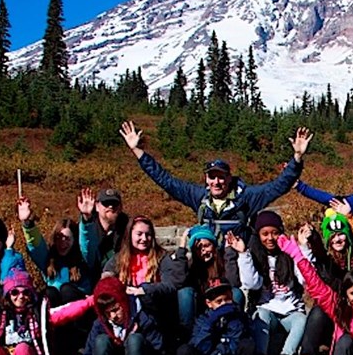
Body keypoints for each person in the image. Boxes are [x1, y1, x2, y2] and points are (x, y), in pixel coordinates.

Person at [119, 120, 313, 238]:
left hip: (238, 262)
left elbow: (279, 186)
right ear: (206, 179)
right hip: (207, 259)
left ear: (229, 178)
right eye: (212, 177)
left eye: (221, 177)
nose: (216, 182)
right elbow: (165, 180)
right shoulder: (198, 197)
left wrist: (297, 158)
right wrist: (138, 152)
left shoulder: (246, 197)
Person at [295, 200, 353, 355]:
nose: (338, 239)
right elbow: (319, 255)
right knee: (318, 311)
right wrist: (311, 239)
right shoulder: (324, 260)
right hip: (331, 312)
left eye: (341, 234)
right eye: (333, 236)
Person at [238, 210, 307, 355]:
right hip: (267, 309)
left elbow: (305, 278)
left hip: (290, 310)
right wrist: (243, 254)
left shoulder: (289, 253)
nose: (270, 238)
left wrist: (302, 249)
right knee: (261, 316)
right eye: (265, 234)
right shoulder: (253, 255)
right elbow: (250, 283)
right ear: (258, 235)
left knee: (301, 319)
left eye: (275, 233)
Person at [162, 224, 243, 329]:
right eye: (198, 248)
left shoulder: (223, 262)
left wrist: (229, 253)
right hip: (198, 307)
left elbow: (233, 283)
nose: (203, 251)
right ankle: (186, 335)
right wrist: (181, 249)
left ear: (214, 246)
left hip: (221, 305)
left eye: (207, 245)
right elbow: (178, 282)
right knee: (184, 292)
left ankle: (233, 330)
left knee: (236, 293)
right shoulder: (190, 266)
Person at [17, 195, 92, 301]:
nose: (62, 242)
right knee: (49, 292)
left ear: (74, 240)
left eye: (67, 238)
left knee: (67, 290)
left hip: (79, 306)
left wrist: (86, 218)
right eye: (59, 237)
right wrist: (27, 224)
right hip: (56, 310)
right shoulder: (49, 259)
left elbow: (87, 242)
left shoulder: (84, 258)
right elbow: (36, 246)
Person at [78, 187, 128, 275]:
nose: (111, 207)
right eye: (106, 203)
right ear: (96, 206)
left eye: (114, 203)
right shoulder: (88, 226)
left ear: (120, 207)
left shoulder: (128, 228)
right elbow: (87, 249)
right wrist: (86, 217)